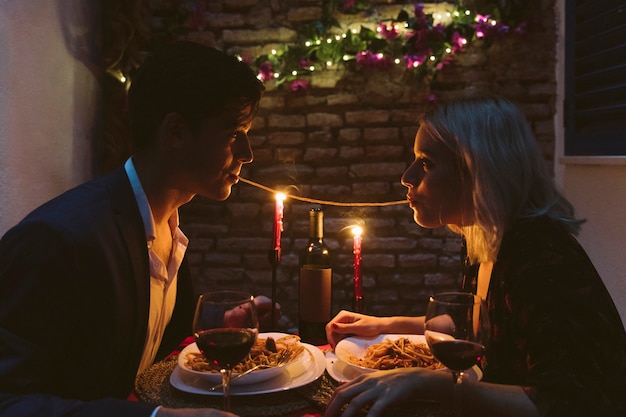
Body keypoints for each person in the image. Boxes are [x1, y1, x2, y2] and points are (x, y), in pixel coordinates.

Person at [0, 41, 276, 417]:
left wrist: (214, 329)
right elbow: (9, 401)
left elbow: (140, 358)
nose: (247, 153)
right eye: (233, 133)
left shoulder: (166, 224)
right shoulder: (59, 240)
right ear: (175, 131)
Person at [324, 96, 626, 417]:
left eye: (426, 162)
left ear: (478, 170)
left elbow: (571, 402)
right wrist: (385, 325)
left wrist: (432, 384)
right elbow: (479, 326)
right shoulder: (484, 235)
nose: (407, 177)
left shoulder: (540, 256)